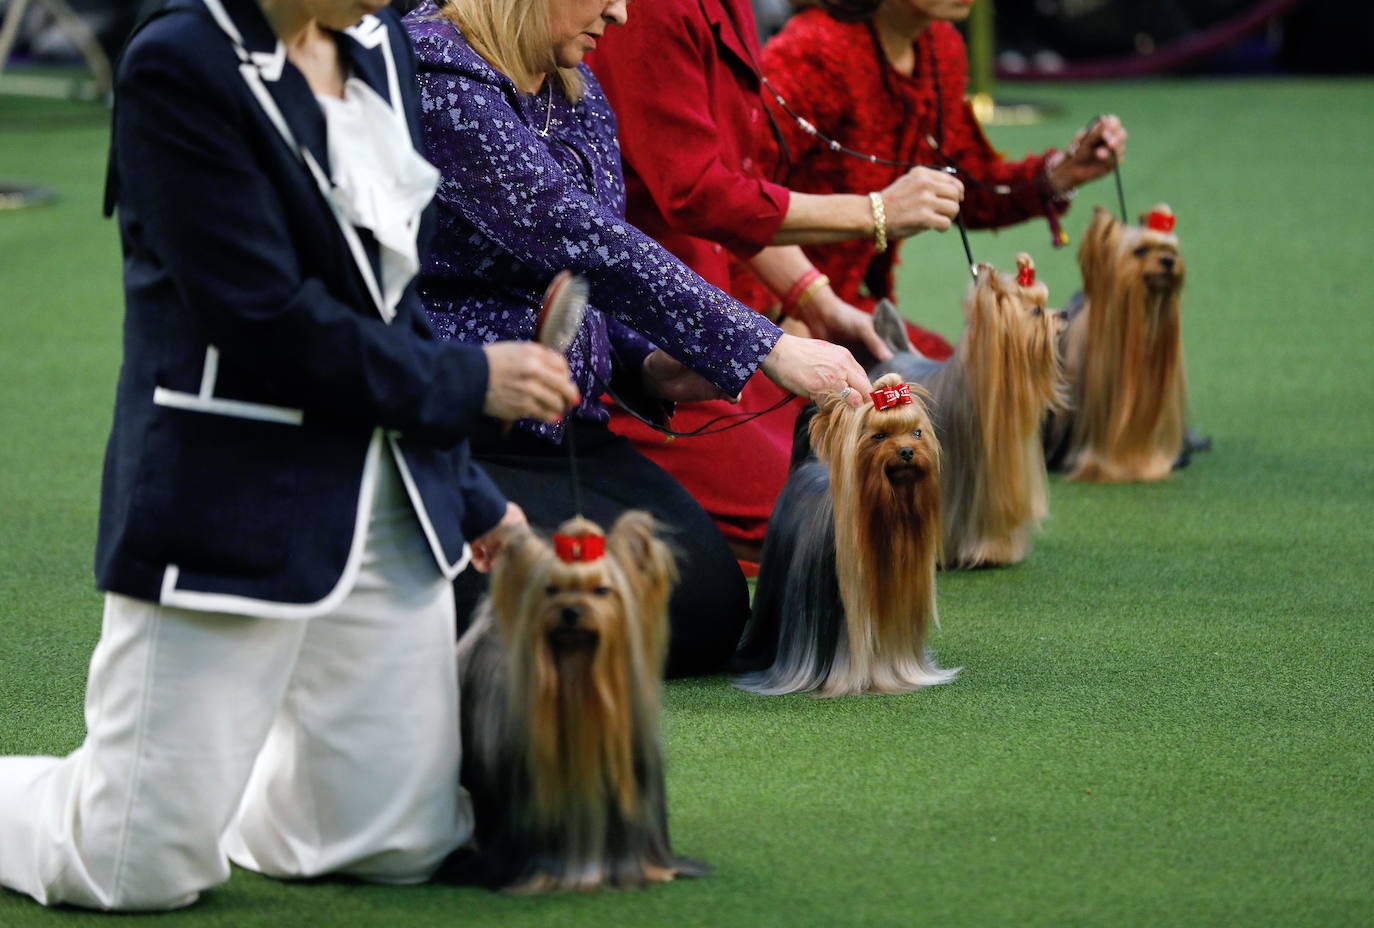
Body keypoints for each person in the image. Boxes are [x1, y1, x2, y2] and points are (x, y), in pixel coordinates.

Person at [0, 0, 580, 911]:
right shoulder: (177, 64)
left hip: (386, 497)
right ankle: (144, 799)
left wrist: (469, 495)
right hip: (228, 497)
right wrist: (469, 383)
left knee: (395, 847)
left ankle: (212, 788)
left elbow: (392, 300)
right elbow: (261, 319)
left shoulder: (384, 48)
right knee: (131, 870)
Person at [403, 0, 875, 677]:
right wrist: (763, 343)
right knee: (518, 605)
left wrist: (648, 367)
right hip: (455, 424)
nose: (623, 13)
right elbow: (579, 236)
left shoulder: (577, 83)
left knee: (704, 609)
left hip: (566, 427)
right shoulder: (435, 71)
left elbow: (586, 283)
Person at [586, 0, 966, 561]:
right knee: (816, 507)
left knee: (850, 467)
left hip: (716, 316)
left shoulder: (735, 7)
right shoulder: (654, 14)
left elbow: (736, 186)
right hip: (656, 336)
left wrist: (818, 299)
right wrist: (874, 211)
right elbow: (700, 194)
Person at [729, 0, 1128, 319]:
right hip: (760, 313)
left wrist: (1056, 176)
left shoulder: (941, 45)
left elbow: (968, 187)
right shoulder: (812, 50)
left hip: (849, 311)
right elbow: (732, 207)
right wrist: (793, 310)